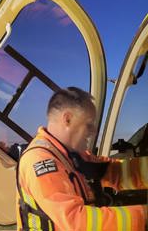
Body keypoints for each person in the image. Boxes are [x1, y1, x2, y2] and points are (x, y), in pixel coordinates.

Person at [16, 87, 147, 231]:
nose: (94, 131)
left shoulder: (71, 155)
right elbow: (77, 220)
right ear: (67, 119)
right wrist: (144, 216)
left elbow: (116, 172)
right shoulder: (39, 160)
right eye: (89, 124)